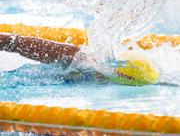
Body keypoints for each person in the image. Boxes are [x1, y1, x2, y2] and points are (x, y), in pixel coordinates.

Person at [0, 33, 159, 85]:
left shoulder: (95, 72)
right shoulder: (79, 60)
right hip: (74, 60)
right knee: (13, 42)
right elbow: (16, 43)